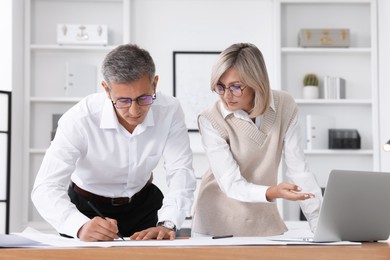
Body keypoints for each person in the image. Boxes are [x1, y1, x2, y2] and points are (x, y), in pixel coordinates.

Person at [31, 44, 196, 242]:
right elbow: (45, 187)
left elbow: (180, 171)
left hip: (144, 206)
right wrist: (79, 225)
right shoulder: (79, 119)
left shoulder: (169, 110)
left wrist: (167, 223)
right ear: (106, 90)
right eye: (123, 100)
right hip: (87, 209)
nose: (134, 111)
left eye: (143, 98)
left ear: (155, 84)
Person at [192, 43, 322, 237]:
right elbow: (231, 183)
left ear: (256, 82)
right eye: (220, 87)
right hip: (216, 222)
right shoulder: (211, 119)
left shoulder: (285, 106)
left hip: (263, 220)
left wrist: (320, 226)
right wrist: (273, 192)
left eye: (236, 87)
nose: (227, 95)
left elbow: (299, 171)